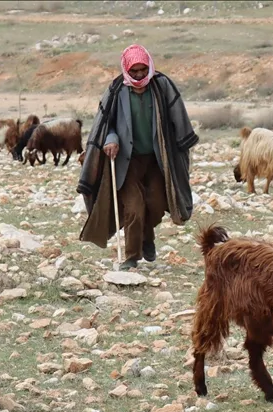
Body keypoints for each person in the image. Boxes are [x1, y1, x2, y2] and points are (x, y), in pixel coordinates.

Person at [77, 44, 199, 269]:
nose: (140, 75)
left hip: (156, 160)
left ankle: (147, 237)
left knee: (157, 203)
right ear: (126, 70)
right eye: (135, 71)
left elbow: (177, 115)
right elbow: (106, 124)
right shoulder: (117, 90)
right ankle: (132, 257)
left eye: (143, 70)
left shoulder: (161, 85)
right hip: (127, 161)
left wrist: (180, 146)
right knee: (133, 208)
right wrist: (111, 139)